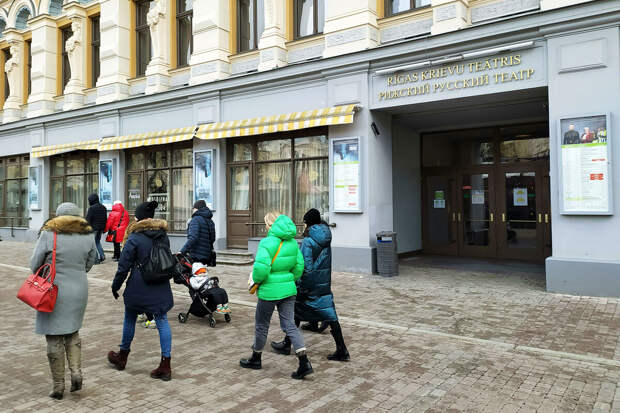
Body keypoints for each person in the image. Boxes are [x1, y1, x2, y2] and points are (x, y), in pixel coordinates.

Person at [30, 202, 98, 399]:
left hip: (52, 290)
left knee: (53, 336)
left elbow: (34, 264)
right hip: (79, 289)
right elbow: (91, 261)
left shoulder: (49, 234)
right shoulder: (87, 235)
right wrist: (77, 272)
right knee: (72, 332)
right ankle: (76, 372)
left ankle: (58, 386)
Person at [240, 212, 313, 380]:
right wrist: (289, 279)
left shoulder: (266, 243)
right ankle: (304, 362)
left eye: (266, 223)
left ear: (270, 225)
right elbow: (299, 266)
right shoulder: (293, 243)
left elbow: (261, 269)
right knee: (290, 325)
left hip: (269, 291)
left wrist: (256, 281)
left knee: (261, 325)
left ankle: (256, 358)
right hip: (288, 289)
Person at [271, 208, 350, 362]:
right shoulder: (325, 236)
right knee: (330, 315)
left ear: (307, 223)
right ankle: (342, 349)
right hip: (323, 283)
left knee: (296, 311)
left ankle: (287, 344)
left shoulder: (308, 241)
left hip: (310, 285)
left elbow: (305, 267)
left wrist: (301, 286)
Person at [108, 201, 174, 381]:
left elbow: (123, 266)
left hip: (138, 285)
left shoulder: (135, 237)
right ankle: (165, 364)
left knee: (130, 317)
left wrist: (116, 285)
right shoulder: (163, 236)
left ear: (138, 218)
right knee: (162, 320)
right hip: (160, 284)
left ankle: (122, 356)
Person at [180, 200, 216, 266]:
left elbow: (193, 238)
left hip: (196, 255)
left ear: (196, 209)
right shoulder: (210, 221)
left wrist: (182, 251)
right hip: (207, 254)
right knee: (201, 271)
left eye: (193, 208)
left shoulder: (195, 220)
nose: (193, 210)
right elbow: (213, 238)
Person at [86, 193, 108, 263]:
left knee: (93, 244)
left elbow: (88, 219)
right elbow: (105, 219)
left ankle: (96, 260)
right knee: (97, 242)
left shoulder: (91, 208)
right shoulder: (103, 207)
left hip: (94, 228)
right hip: (101, 228)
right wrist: (103, 228)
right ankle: (102, 256)